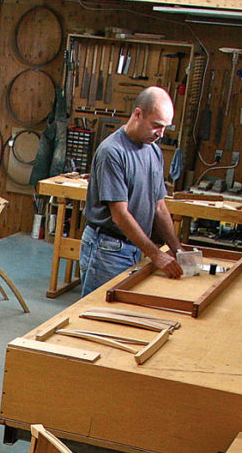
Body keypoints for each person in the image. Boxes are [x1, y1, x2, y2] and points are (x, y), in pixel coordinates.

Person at [79, 86, 184, 296]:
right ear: (138, 114)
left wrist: (178, 250)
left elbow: (159, 206)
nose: (161, 134)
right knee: (98, 313)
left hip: (135, 246)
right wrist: (156, 254)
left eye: (165, 128)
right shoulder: (113, 152)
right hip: (108, 249)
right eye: (156, 125)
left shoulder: (153, 150)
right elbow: (120, 214)